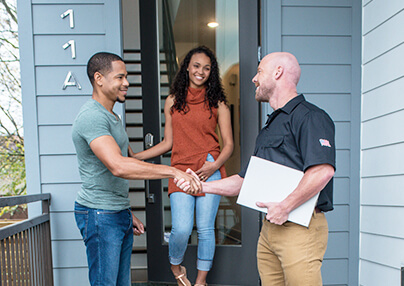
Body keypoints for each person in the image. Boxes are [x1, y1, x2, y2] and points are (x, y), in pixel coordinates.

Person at [177, 52, 336, 286]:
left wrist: (285, 206)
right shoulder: (272, 124)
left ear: (278, 72)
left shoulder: (310, 117)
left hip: (299, 228)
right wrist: (201, 186)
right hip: (271, 229)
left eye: (260, 71)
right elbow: (245, 180)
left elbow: (323, 171)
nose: (254, 78)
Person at [72, 52, 201, 286]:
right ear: (99, 78)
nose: (126, 83)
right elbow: (118, 166)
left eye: (127, 77)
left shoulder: (111, 116)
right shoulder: (91, 117)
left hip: (116, 211)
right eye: (120, 77)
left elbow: (125, 160)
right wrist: (173, 171)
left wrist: (125, 211)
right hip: (99, 213)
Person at [134, 46, 233, 286]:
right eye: (197, 66)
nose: (201, 72)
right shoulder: (172, 101)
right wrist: (137, 157)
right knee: (181, 228)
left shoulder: (218, 102)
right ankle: (176, 265)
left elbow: (228, 144)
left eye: (207, 68)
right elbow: (168, 143)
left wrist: (214, 166)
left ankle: (200, 281)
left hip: (209, 166)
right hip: (180, 170)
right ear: (187, 66)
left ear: (212, 72)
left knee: (206, 229)